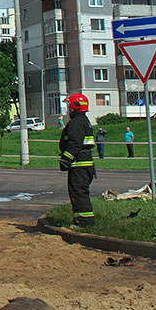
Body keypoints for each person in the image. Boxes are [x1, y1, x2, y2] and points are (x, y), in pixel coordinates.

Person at [59, 93, 96, 226]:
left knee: (78, 193)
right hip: (84, 163)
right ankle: (82, 220)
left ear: (75, 106)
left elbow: (74, 144)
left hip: (79, 164)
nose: (68, 108)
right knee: (79, 192)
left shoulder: (76, 123)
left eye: (69, 105)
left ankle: (84, 222)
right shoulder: (84, 120)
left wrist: (65, 160)